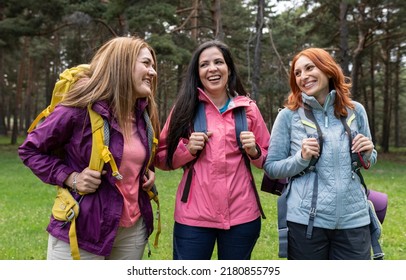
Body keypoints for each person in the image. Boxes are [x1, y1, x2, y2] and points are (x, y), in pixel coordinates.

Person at [18, 36, 160, 260]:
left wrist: (145, 170)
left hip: (132, 229)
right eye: (146, 63)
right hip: (83, 230)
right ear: (122, 64)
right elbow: (30, 150)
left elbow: (131, 155)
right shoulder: (79, 108)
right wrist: (71, 177)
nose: (153, 72)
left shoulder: (142, 113)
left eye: (153, 65)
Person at [154, 40, 270, 260]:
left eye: (219, 62)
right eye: (204, 64)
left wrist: (254, 151)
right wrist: (186, 150)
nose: (212, 68)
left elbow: (270, 159)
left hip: (242, 217)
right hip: (193, 220)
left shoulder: (249, 109)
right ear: (197, 73)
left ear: (229, 68)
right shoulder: (183, 108)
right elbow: (160, 157)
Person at [263, 47, 378, 260]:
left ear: (327, 70)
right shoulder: (288, 116)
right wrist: (301, 158)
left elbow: (369, 159)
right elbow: (271, 167)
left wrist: (369, 151)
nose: (303, 76)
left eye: (309, 68)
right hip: (305, 223)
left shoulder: (356, 110)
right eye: (297, 73)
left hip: (354, 221)